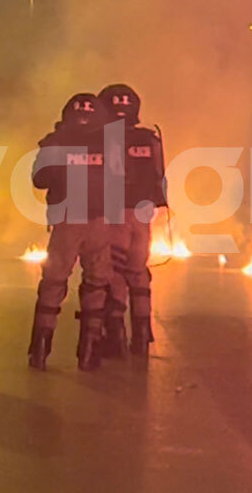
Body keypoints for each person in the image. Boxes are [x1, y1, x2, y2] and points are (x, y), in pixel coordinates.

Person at [28, 93, 122, 372]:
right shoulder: (110, 144)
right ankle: (89, 352)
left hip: (66, 222)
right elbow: (121, 182)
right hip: (99, 222)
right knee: (96, 284)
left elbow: (39, 179)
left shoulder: (56, 141)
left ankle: (40, 350)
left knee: (54, 282)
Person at [97, 84, 168, 358]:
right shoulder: (150, 139)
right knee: (138, 272)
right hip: (143, 213)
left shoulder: (102, 138)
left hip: (114, 212)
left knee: (114, 272)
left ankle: (114, 335)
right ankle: (141, 333)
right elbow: (160, 175)